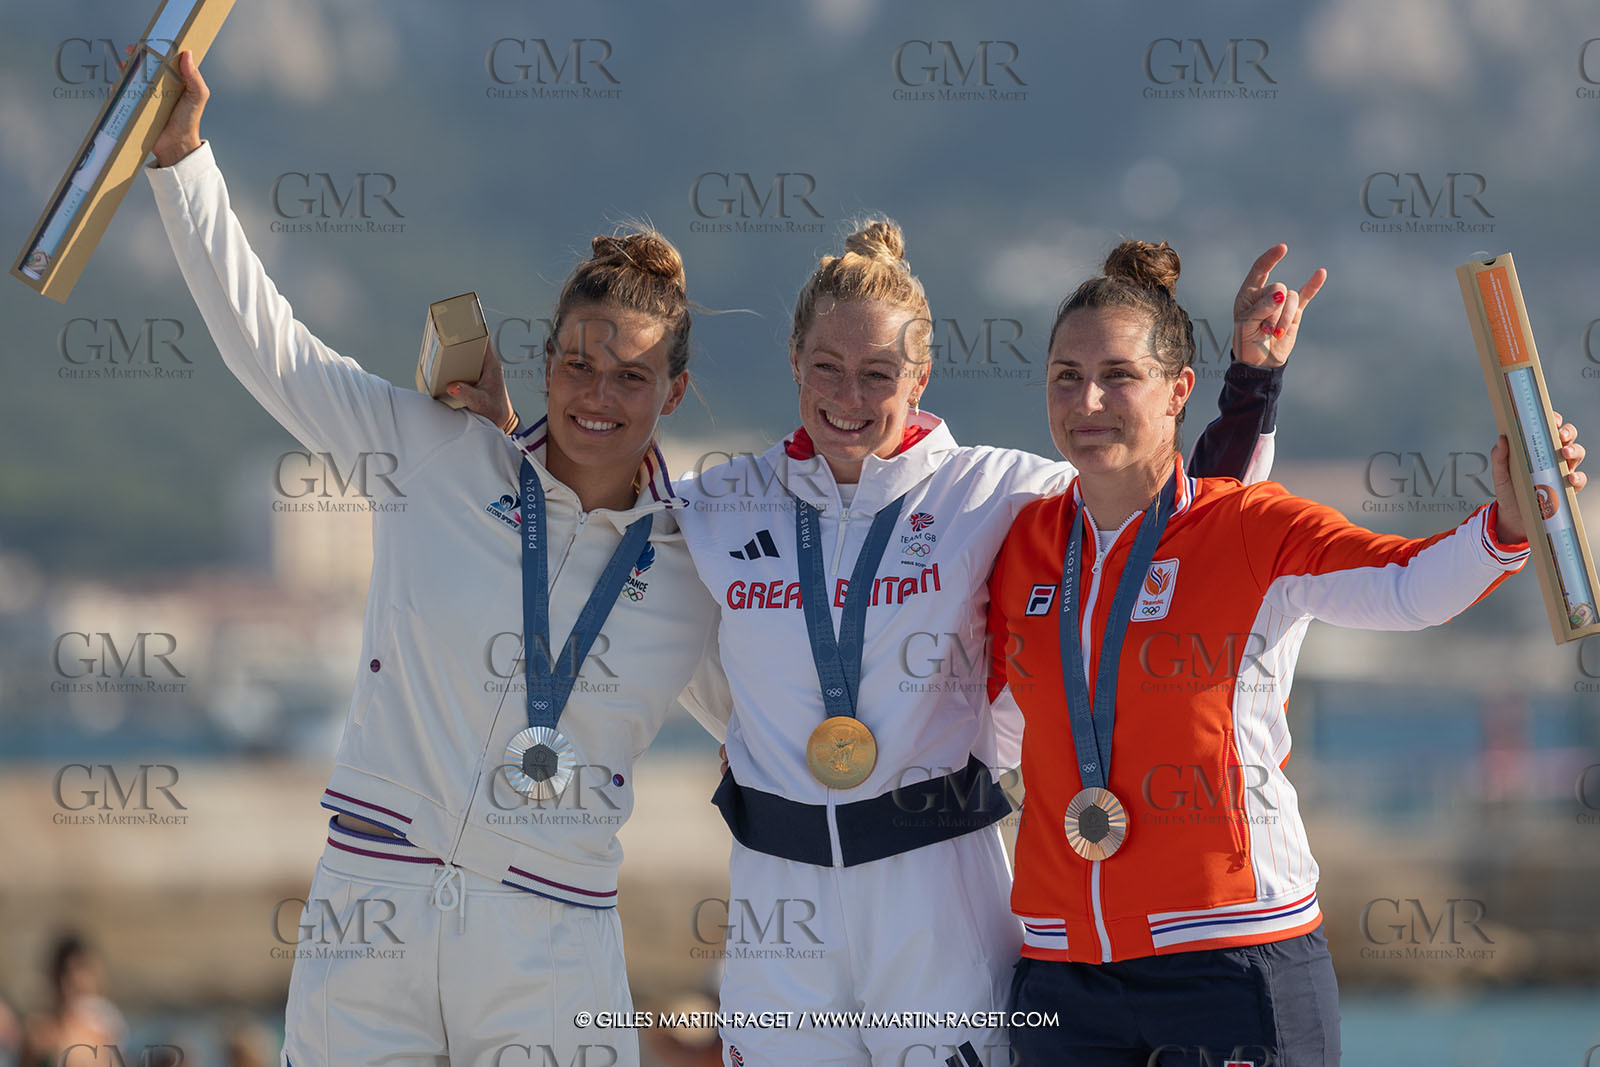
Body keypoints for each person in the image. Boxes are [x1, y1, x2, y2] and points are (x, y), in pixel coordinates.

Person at [144, 52, 728, 1067]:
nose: (597, 391)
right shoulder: (437, 454)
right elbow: (271, 349)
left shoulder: (697, 568)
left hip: (551, 935)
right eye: (578, 360)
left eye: (630, 374)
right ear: (543, 357)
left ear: (670, 394)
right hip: (374, 903)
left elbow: (785, 725)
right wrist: (184, 161)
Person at [662, 220, 1315, 1066]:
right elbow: (584, 528)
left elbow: (1185, 516)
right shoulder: (719, 500)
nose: (848, 397)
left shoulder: (995, 489)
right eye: (826, 368)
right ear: (793, 359)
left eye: (878, 374)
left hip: (936, 888)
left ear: (923, 376)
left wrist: (1252, 384)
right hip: (775, 901)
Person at [986, 240, 1586, 1065]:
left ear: (1176, 392)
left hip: (1233, 957)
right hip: (1062, 971)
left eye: (1119, 375)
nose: (1088, 399)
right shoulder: (1024, 543)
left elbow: (1405, 585)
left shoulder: (1248, 528)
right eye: (1065, 375)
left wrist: (1509, 526)